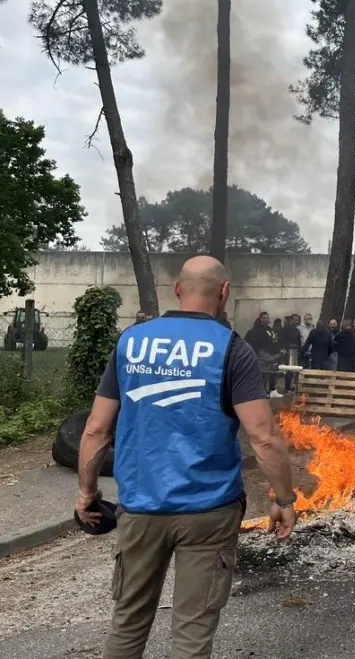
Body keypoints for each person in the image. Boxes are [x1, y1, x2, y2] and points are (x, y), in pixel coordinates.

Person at [74, 255, 296, 659]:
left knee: (127, 624)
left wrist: (87, 493)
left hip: (141, 507)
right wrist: (284, 500)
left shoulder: (131, 342)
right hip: (209, 511)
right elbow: (264, 438)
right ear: (224, 292)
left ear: (176, 289)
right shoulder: (233, 349)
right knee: (192, 636)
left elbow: (96, 429)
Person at [244, 312, 281, 398]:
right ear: (260, 319)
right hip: (261, 355)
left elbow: (274, 341)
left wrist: (275, 342)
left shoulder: (270, 330)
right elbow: (254, 342)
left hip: (272, 355)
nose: (266, 319)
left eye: (267, 318)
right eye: (264, 318)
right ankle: (262, 391)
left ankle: (272, 390)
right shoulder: (255, 331)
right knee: (263, 374)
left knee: (273, 373)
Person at [278, 315, 302, 393]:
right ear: (291, 320)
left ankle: (290, 386)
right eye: (295, 320)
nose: (297, 322)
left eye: (298, 320)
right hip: (287, 351)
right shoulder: (284, 330)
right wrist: (288, 346)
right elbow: (281, 340)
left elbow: (298, 342)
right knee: (288, 370)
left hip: (295, 351)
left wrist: (298, 348)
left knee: (293, 370)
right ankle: (287, 387)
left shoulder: (297, 330)